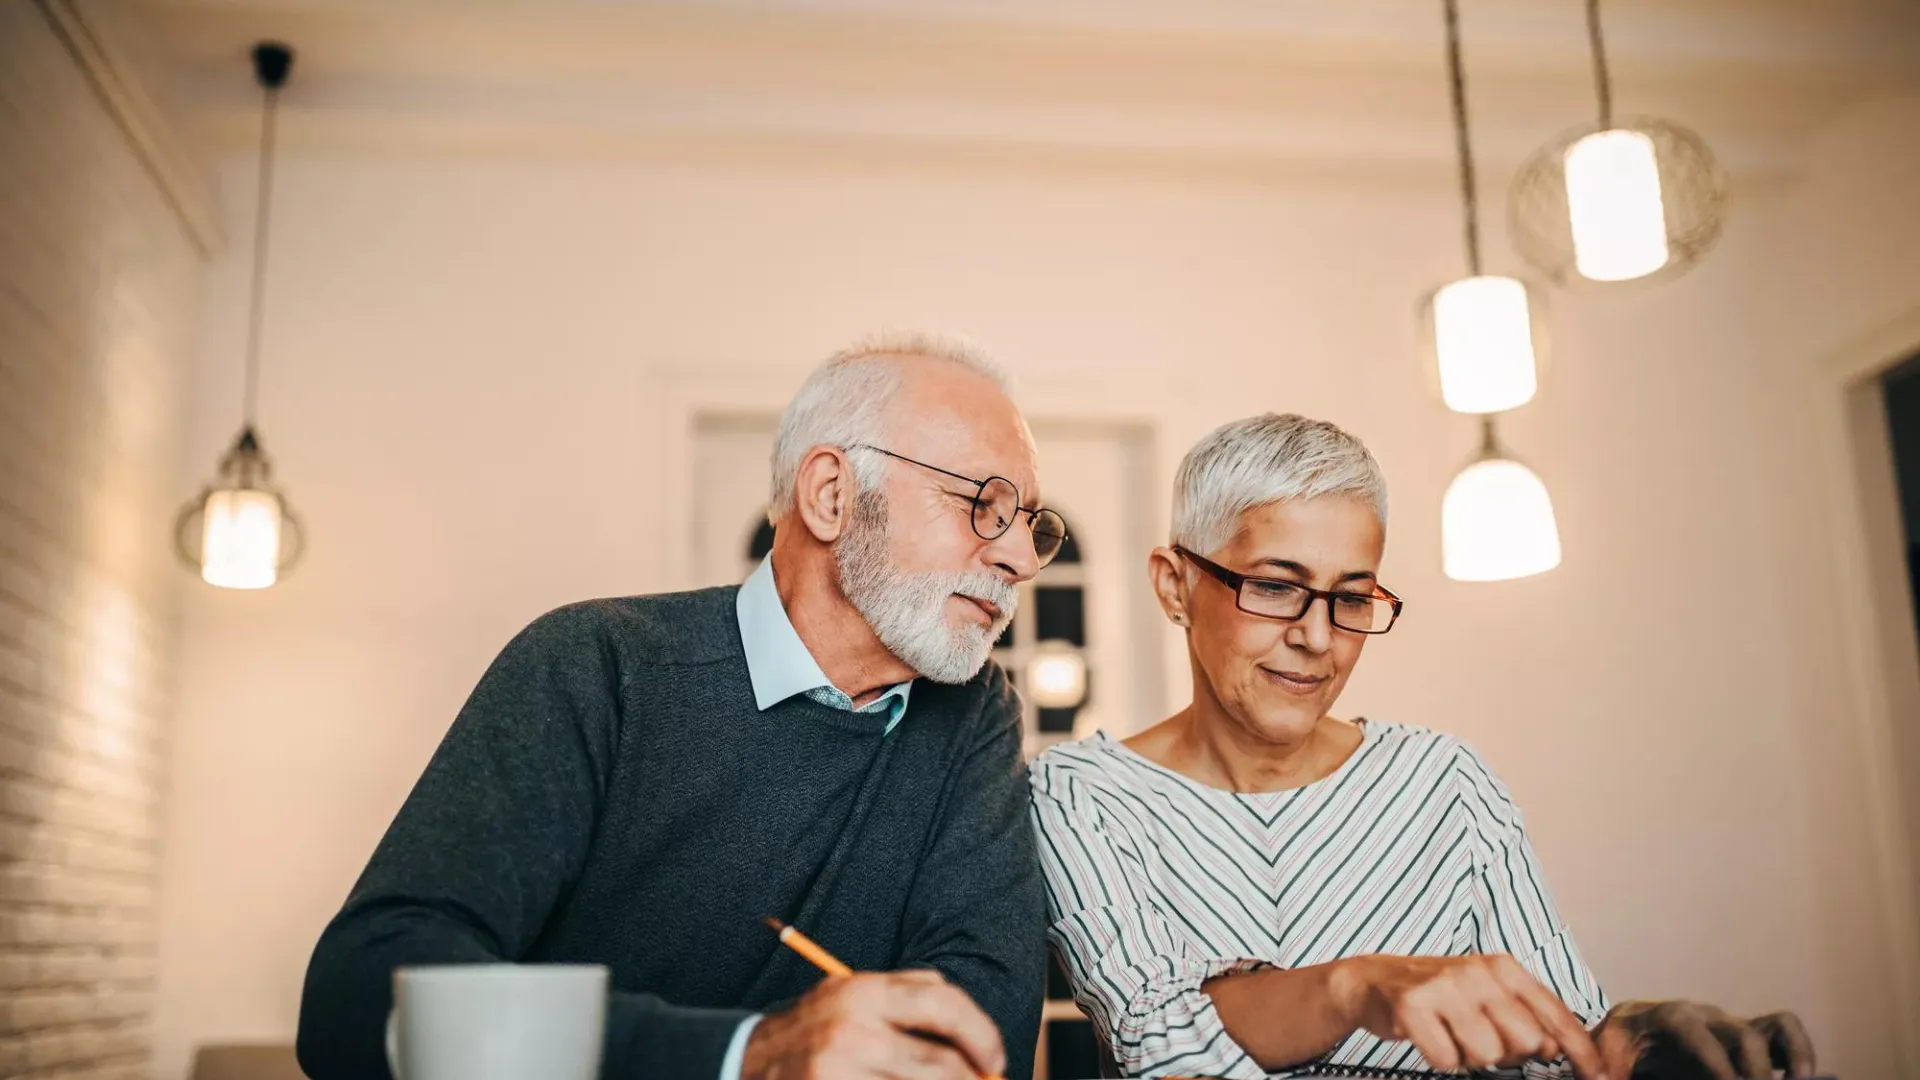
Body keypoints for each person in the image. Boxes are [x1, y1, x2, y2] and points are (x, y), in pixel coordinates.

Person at [298, 332, 1064, 1080]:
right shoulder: (598, 664)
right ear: (832, 495)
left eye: (1031, 522)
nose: (1020, 559)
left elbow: (977, 1028)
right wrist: (748, 1055)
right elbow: (359, 999)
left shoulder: (972, 712)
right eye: (984, 504)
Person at [1029, 413, 1818, 1080]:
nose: (1315, 637)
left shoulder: (1445, 782)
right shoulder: (1082, 795)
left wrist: (1634, 1038)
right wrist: (1354, 987)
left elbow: (1559, 1045)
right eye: (1274, 586)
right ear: (1175, 585)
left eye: (1350, 597)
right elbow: (1161, 1048)